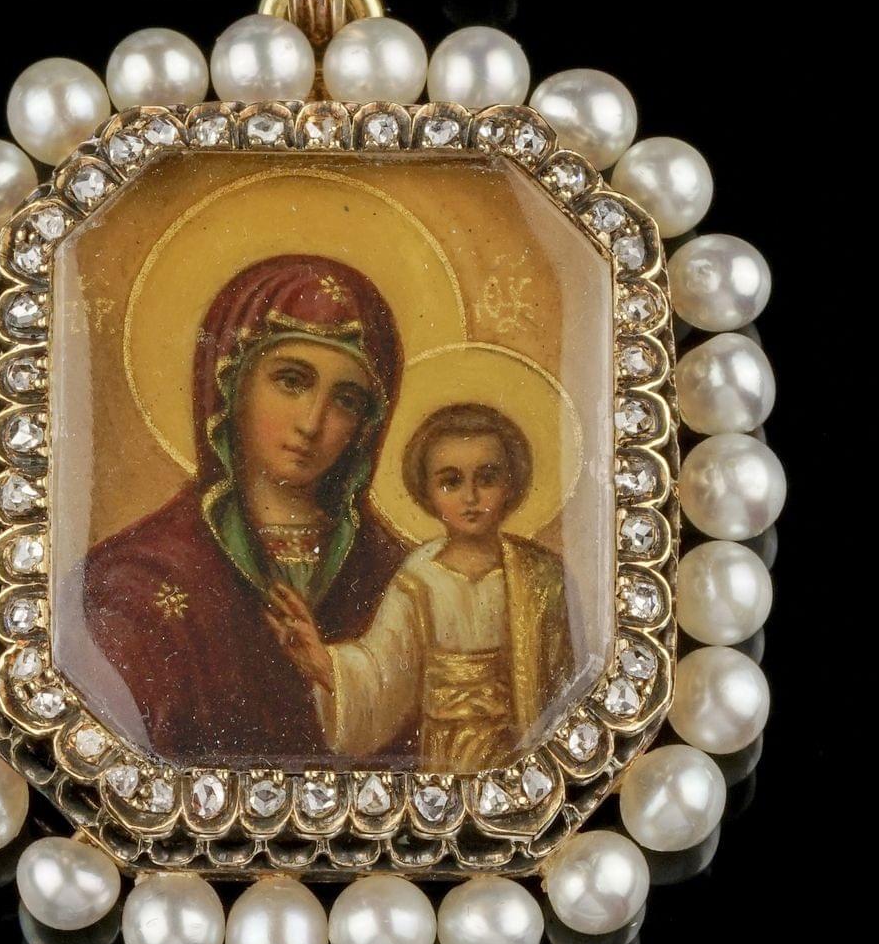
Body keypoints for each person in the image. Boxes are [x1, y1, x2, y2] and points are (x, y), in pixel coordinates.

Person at [73, 255, 407, 765]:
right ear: (231, 381)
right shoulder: (136, 579)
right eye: (291, 381)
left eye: (346, 400)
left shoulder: (402, 577)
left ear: (367, 425)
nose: (312, 422)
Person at [267, 403, 574, 772]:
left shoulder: (540, 575)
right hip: (444, 758)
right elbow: (382, 674)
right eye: (451, 482)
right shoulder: (419, 578)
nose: (471, 497)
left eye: (487, 478)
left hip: (522, 757)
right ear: (426, 491)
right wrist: (327, 665)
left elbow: (565, 681)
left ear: (511, 484)